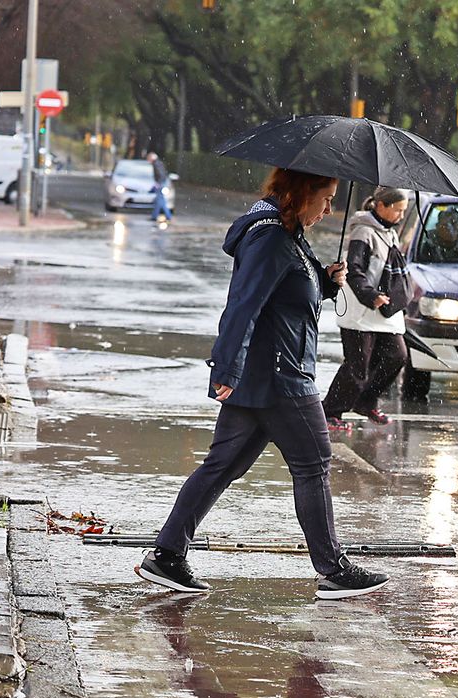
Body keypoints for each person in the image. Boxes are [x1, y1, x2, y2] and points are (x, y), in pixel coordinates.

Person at [134, 167, 390, 601]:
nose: (330, 209)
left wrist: (325, 284)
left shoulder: (285, 232)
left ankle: (167, 555)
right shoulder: (270, 237)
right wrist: (226, 370)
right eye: (325, 198)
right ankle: (333, 569)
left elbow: (283, 297)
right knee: (314, 463)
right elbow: (243, 306)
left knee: (222, 466)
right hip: (279, 376)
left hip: (265, 375)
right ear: (298, 193)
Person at [324, 187, 410, 431]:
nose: (401, 216)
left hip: (385, 309)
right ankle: (330, 411)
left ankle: (365, 401)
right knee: (357, 365)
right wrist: (370, 296)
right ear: (381, 206)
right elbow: (354, 269)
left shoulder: (389, 232)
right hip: (361, 310)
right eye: (398, 210)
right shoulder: (363, 231)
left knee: (396, 356)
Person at [148, 151, 174, 224]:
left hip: (161, 184)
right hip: (161, 183)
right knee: (159, 201)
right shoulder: (158, 163)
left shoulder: (156, 164)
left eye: (149, 158)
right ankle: (155, 216)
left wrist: (158, 183)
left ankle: (166, 216)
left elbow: (161, 175)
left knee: (160, 201)